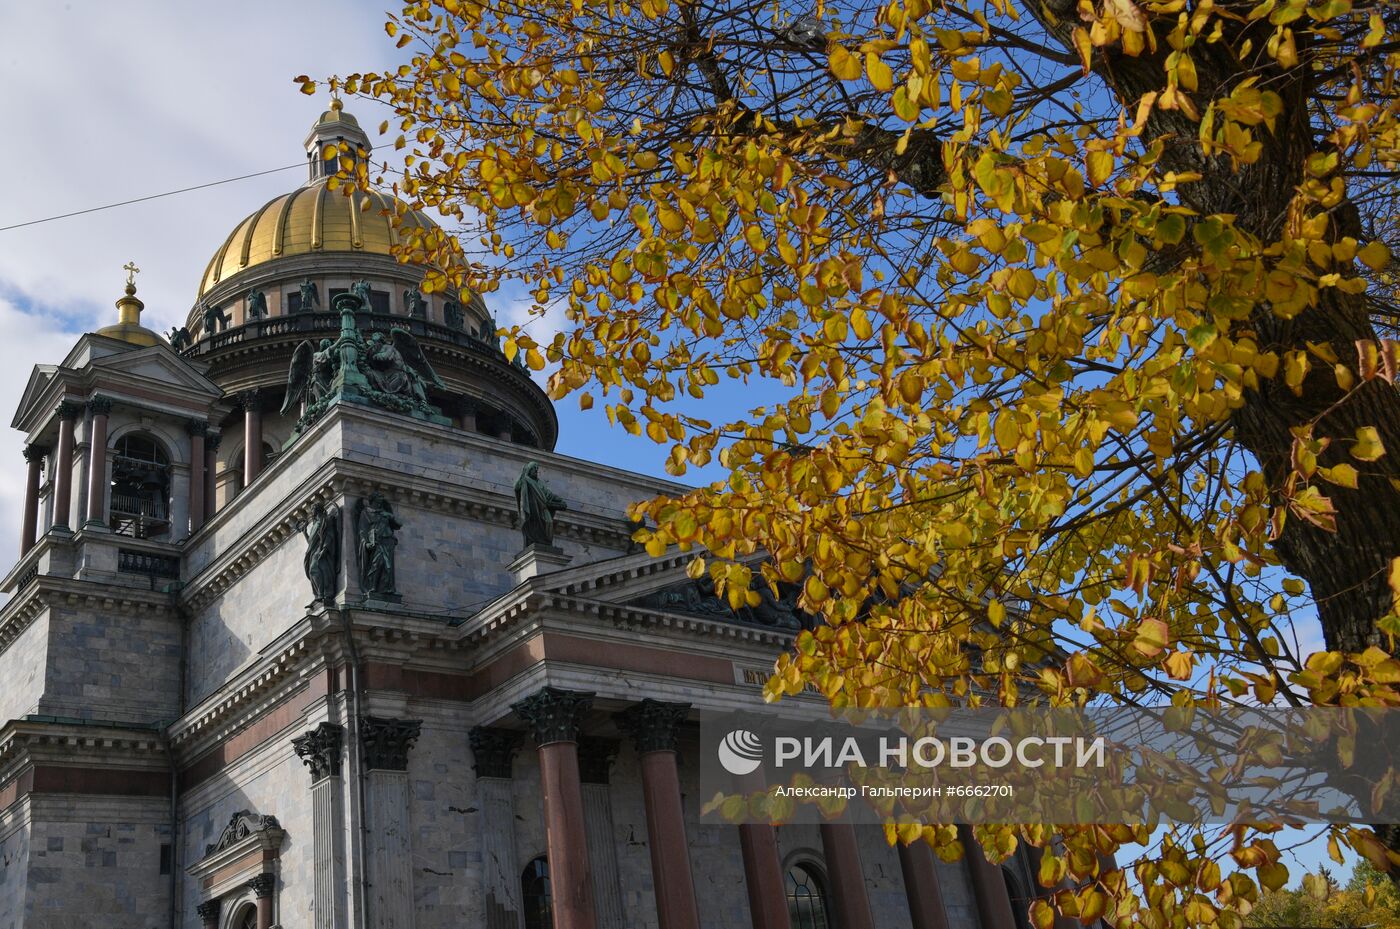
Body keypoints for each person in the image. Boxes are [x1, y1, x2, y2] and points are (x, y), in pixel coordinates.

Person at [514, 461, 568, 547]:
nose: (536, 471)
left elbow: (548, 494)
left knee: (548, 522)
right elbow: (517, 487)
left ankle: (545, 543)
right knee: (533, 526)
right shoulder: (525, 480)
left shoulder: (539, 483)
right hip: (532, 509)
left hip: (543, 508)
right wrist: (522, 475)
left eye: (536, 469)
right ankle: (535, 543)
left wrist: (559, 500)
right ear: (529, 470)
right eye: (534, 469)